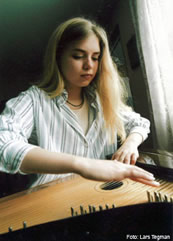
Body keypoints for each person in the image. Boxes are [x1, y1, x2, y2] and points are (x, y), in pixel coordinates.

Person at [0, 17, 159, 188]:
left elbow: (139, 123)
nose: (89, 65)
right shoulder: (34, 99)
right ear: (58, 57)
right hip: (52, 201)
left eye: (95, 57)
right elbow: (4, 144)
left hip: (103, 197)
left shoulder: (102, 100)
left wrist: (130, 144)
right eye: (78, 56)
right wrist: (83, 165)